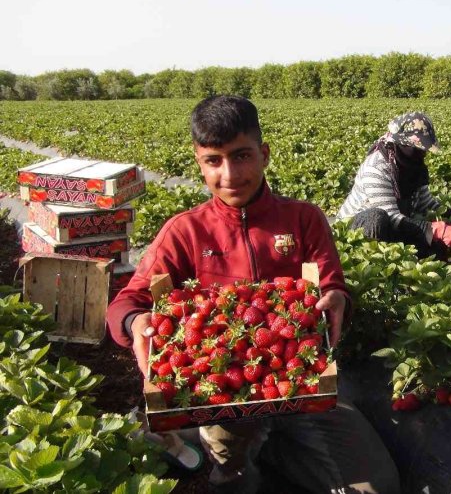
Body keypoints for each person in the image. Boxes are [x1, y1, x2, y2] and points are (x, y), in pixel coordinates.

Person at [106, 95, 400, 494]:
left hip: (301, 384)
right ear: (199, 162)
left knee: (378, 488)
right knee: (233, 483)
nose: (229, 174)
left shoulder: (303, 219)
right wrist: (135, 322)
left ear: (264, 154)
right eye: (214, 160)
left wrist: (336, 299)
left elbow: (332, 285)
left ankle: (268, 445)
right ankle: (227, 456)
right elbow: (128, 302)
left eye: (242, 156)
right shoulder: (185, 232)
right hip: (222, 394)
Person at [336, 112, 451, 260]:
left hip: (393, 224)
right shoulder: (376, 168)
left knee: (438, 251)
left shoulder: (413, 166)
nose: (423, 154)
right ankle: (367, 260)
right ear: (402, 143)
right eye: (418, 148)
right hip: (356, 229)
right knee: (376, 218)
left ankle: (392, 256)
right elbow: (391, 216)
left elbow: (425, 203)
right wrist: (434, 229)